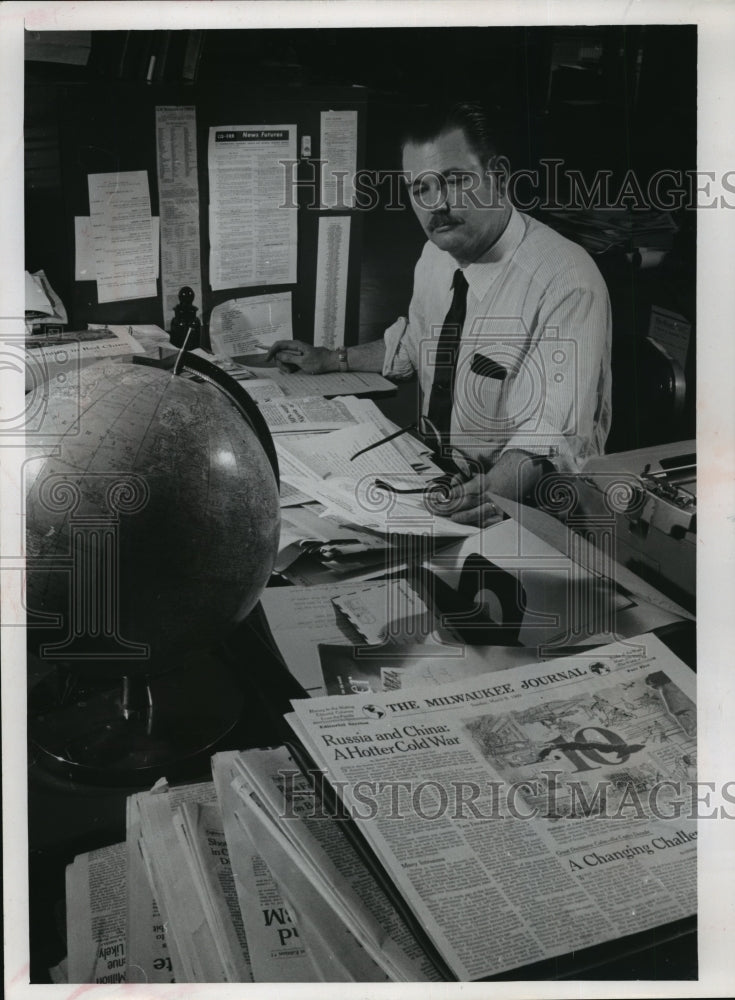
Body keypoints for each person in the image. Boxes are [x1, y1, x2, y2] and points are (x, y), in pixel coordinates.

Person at [266, 103, 612, 526]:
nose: (437, 204)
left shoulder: (568, 280)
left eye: (455, 181)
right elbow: (414, 347)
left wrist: (487, 495)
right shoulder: (436, 255)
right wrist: (331, 358)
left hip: (527, 511)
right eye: (420, 189)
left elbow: (546, 437)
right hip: (444, 482)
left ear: (498, 175)